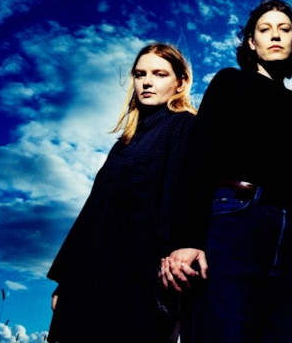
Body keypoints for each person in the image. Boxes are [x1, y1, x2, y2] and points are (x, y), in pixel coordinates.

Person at [161, 0, 292, 343]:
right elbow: (198, 159)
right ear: (251, 42)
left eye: (284, 29)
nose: (275, 35)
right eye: (265, 29)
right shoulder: (230, 82)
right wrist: (185, 240)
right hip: (235, 219)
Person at [46, 42, 197, 343]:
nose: (147, 82)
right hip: (88, 279)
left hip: (139, 280)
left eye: (159, 74)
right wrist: (65, 279)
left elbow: (182, 197)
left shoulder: (183, 125)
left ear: (180, 82)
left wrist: (179, 249)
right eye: (140, 74)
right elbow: (93, 212)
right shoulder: (123, 143)